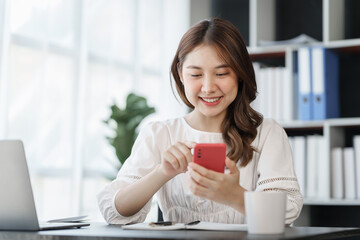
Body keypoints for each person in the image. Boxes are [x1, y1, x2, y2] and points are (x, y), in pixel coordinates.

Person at [97, 18, 303, 225]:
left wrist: (234, 196)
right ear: (180, 73)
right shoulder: (159, 134)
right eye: (196, 74)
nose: (208, 87)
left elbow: (287, 211)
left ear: (240, 74)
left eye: (221, 73)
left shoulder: (268, 133)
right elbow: (115, 213)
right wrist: (162, 172)